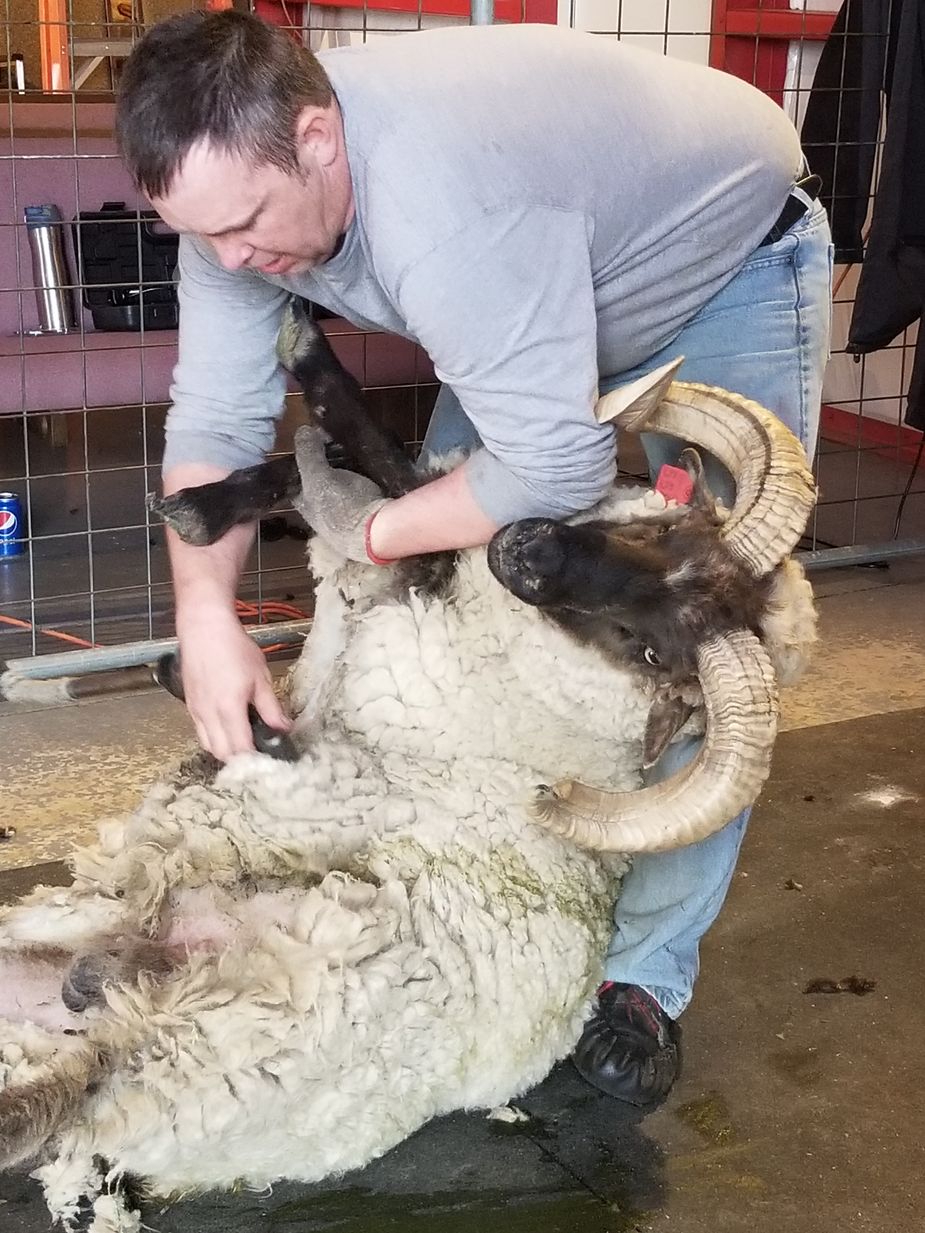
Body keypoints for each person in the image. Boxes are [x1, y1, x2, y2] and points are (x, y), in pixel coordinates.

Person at [115, 10, 832, 1111]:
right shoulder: (230, 204)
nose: (229, 260)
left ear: (315, 137)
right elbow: (213, 418)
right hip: (544, 268)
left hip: (718, 254)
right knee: (446, 613)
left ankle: (642, 979)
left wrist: (377, 536)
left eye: (247, 224)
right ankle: (466, 874)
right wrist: (204, 620)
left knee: (709, 634)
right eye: (197, 234)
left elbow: (549, 462)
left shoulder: (447, 214)